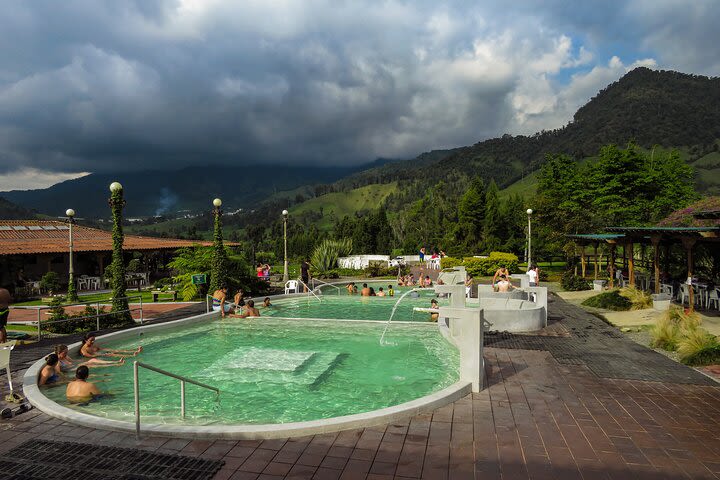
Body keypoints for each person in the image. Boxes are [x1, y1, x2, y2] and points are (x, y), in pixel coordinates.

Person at [55, 344, 123, 372]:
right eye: (65, 353)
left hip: (74, 366)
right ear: (59, 353)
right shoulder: (58, 362)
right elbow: (59, 373)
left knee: (92, 360)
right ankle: (114, 365)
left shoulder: (65, 357)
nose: (66, 354)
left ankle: (116, 362)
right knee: (90, 365)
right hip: (70, 370)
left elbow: (74, 361)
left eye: (67, 352)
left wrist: (83, 361)